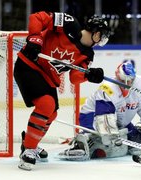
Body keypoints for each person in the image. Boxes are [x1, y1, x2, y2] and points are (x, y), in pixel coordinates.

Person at [14, 11, 111, 170]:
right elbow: (36, 17)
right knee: (46, 104)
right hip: (29, 65)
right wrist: (35, 39)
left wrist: (89, 76)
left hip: (47, 76)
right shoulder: (68, 23)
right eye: (103, 36)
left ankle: (30, 144)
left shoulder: (87, 54)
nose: (103, 40)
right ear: (96, 33)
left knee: (52, 113)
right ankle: (28, 150)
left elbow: (75, 77)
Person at [58, 62, 141, 161]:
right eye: (123, 81)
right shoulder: (108, 89)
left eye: (130, 81)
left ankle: (117, 139)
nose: (127, 84)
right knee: (109, 148)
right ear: (117, 77)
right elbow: (103, 118)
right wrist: (110, 134)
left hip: (120, 121)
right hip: (92, 117)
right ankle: (84, 143)